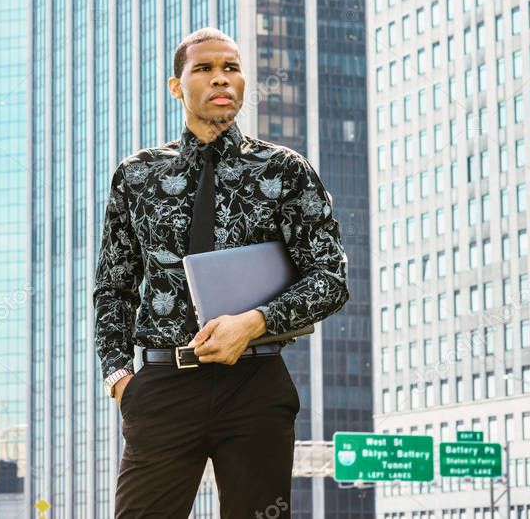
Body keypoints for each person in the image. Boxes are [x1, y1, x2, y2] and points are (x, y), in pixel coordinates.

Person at [93, 27, 350, 518]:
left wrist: (254, 323)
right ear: (177, 86)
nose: (220, 79)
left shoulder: (285, 170)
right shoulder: (137, 175)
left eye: (231, 68)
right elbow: (114, 286)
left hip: (255, 384)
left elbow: (330, 278)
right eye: (205, 69)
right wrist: (120, 378)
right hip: (163, 384)